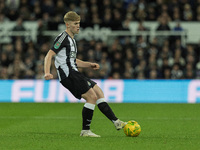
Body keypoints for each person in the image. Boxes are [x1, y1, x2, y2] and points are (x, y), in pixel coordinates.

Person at [44, 11, 126, 137]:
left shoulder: (72, 40)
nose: (78, 26)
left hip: (74, 72)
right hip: (68, 74)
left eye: (79, 23)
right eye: (75, 23)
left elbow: (72, 60)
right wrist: (47, 72)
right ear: (68, 25)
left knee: (98, 92)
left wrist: (89, 64)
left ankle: (116, 122)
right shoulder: (63, 38)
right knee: (91, 97)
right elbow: (49, 54)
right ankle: (85, 131)